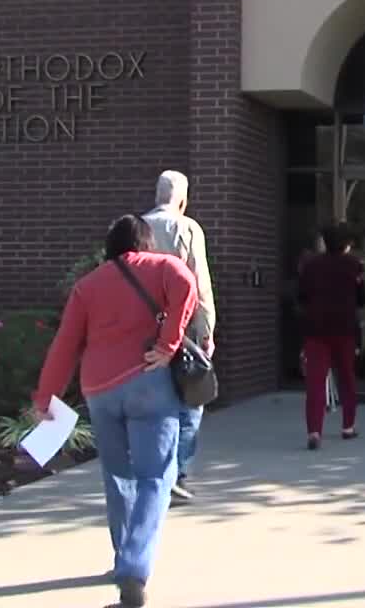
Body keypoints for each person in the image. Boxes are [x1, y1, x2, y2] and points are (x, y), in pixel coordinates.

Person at [32, 215, 198, 608]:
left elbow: (65, 345)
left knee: (117, 475)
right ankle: (134, 567)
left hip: (100, 390)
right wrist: (169, 343)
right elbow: (187, 286)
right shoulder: (162, 266)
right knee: (156, 476)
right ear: (146, 241)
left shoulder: (87, 286)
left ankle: (122, 555)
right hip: (149, 383)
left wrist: (46, 399)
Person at [142, 170, 216, 503]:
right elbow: (198, 284)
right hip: (181, 329)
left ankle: (152, 469)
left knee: (152, 403)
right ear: (183, 199)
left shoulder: (137, 227)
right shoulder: (187, 229)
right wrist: (206, 330)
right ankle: (176, 473)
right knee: (190, 402)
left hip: (140, 330)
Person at [297, 223, 365, 449]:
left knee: (316, 382)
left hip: (316, 329)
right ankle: (348, 426)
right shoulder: (354, 265)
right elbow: (362, 299)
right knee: (346, 377)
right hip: (345, 328)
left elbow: (302, 295)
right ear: (347, 243)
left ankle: (314, 431)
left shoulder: (311, 265)